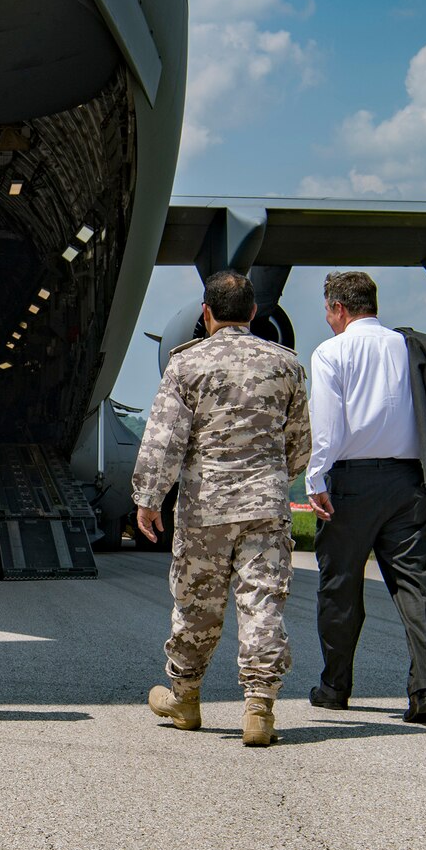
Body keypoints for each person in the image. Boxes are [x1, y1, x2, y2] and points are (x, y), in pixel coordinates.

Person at [132, 271, 312, 747]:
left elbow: (164, 439)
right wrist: (273, 480)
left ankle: (186, 699)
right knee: (262, 603)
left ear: (205, 314)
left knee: (196, 604)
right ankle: (259, 707)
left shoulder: (187, 365)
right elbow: (299, 444)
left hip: (205, 508)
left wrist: (149, 499)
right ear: (254, 313)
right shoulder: (286, 365)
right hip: (266, 506)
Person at [306, 271, 426, 724]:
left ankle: (335, 687)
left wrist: (315, 480)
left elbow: (325, 427)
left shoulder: (331, 352)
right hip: (409, 483)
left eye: (328, 311)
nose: (327, 320)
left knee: (340, 586)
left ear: (339, 309)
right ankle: (424, 690)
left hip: (351, 485)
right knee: (415, 587)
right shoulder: (409, 347)